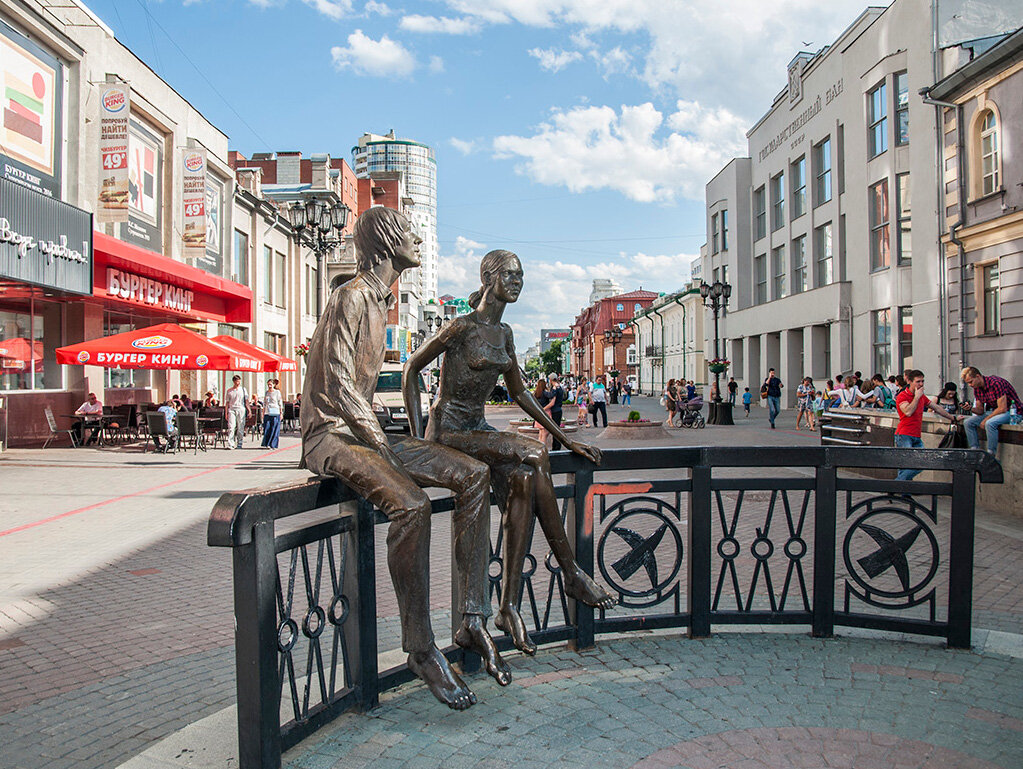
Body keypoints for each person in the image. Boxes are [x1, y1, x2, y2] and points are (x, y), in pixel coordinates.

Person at [302, 207, 507, 710]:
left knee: (474, 475)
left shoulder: (380, 300)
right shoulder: (350, 296)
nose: (416, 239)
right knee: (412, 505)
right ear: (387, 241)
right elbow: (339, 385)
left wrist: (407, 445)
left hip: (362, 431)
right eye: (408, 232)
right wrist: (384, 447)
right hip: (330, 435)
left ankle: (472, 617)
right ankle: (420, 648)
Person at [403, 248, 616, 657]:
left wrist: (567, 439)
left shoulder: (505, 334)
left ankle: (508, 607)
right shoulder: (462, 326)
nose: (517, 281)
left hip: (478, 429)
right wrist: (417, 442)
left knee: (522, 481)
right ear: (488, 278)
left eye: (521, 275)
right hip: (449, 431)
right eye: (510, 274)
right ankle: (571, 571)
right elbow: (412, 368)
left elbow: (520, 392)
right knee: (534, 454)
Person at [895, 369, 960, 481]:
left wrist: (953, 418)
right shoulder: (903, 396)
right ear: (909, 381)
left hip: (916, 435)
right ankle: (897, 486)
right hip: (904, 434)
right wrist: (916, 397)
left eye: (922, 381)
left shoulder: (922, 397)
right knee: (908, 464)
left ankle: (899, 488)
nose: (921, 384)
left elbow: (937, 408)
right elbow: (908, 412)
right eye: (918, 382)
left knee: (919, 463)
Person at [961, 366, 1022, 456]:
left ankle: (991, 454)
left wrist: (986, 419)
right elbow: (980, 410)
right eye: (968, 383)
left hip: (1012, 412)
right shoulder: (977, 388)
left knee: (990, 423)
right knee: (968, 422)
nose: (970, 385)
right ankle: (974, 450)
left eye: (971, 382)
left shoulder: (996, 383)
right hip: (995, 412)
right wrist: (970, 408)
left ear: (978, 376)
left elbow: (1002, 408)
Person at [224, 375, 249, 449]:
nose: (238, 383)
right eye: (236, 381)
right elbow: (227, 403)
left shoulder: (243, 390)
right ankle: (231, 444)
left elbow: (246, 401)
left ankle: (239, 443)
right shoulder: (229, 391)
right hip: (232, 409)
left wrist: (249, 410)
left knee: (240, 427)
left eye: (239, 381)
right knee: (231, 427)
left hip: (241, 409)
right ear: (234, 381)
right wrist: (226, 412)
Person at [532, 378, 555, 449]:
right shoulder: (544, 393)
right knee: (545, 433)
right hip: (545, 412)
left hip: (538, 413)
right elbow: (551, 395)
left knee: (541, 432)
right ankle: (543, 449)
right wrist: (554, 389)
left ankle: (539, 447)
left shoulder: (536, 393)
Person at [546, 374, 566, 450]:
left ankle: (556, 447)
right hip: (559, 409)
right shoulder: (559, 387)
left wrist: (544, 408)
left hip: (555, 410)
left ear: (551, 380)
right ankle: (556, 446)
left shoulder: (554, 388)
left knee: (555, 429)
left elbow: (552, 402)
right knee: (557, 428)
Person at [261, 379, 283, 449]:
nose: (269, 386)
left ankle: (273, 444)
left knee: (274, 428)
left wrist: (281, 412)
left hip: (275, 412)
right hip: (267, 412)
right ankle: (267, 443)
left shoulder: (277, 392)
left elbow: (280, 402)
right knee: (267, 428)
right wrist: (263, 412)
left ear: (274, 385)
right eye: (268, 384)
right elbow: (264, 403)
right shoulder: (266, 392)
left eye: (270, 384)